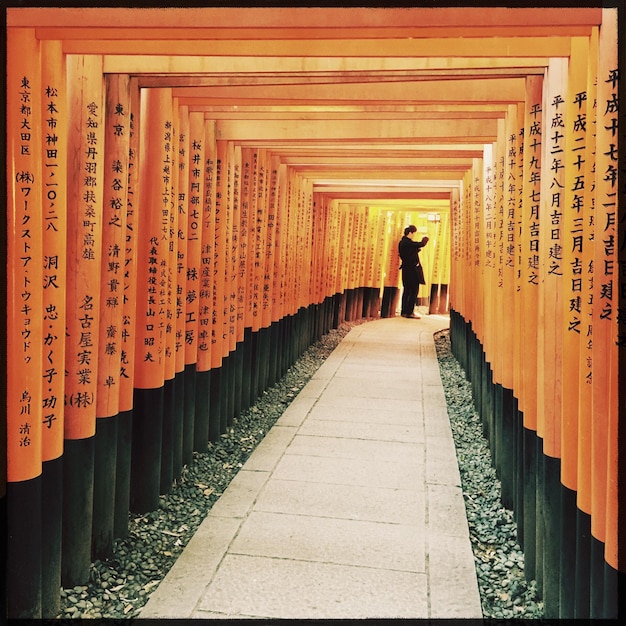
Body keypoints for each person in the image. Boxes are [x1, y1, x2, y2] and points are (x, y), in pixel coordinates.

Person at [398, 225, 429, 319]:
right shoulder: (407, 242)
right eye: (414, 234)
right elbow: (421, 244)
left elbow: (410, 252)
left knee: (407, 291)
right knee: (413, 290)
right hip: (411, 270)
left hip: (406, 270)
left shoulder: (402, 242)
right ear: (410, 233)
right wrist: (426, 237)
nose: (414, 236)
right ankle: (409, 312)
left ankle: (404, 311)